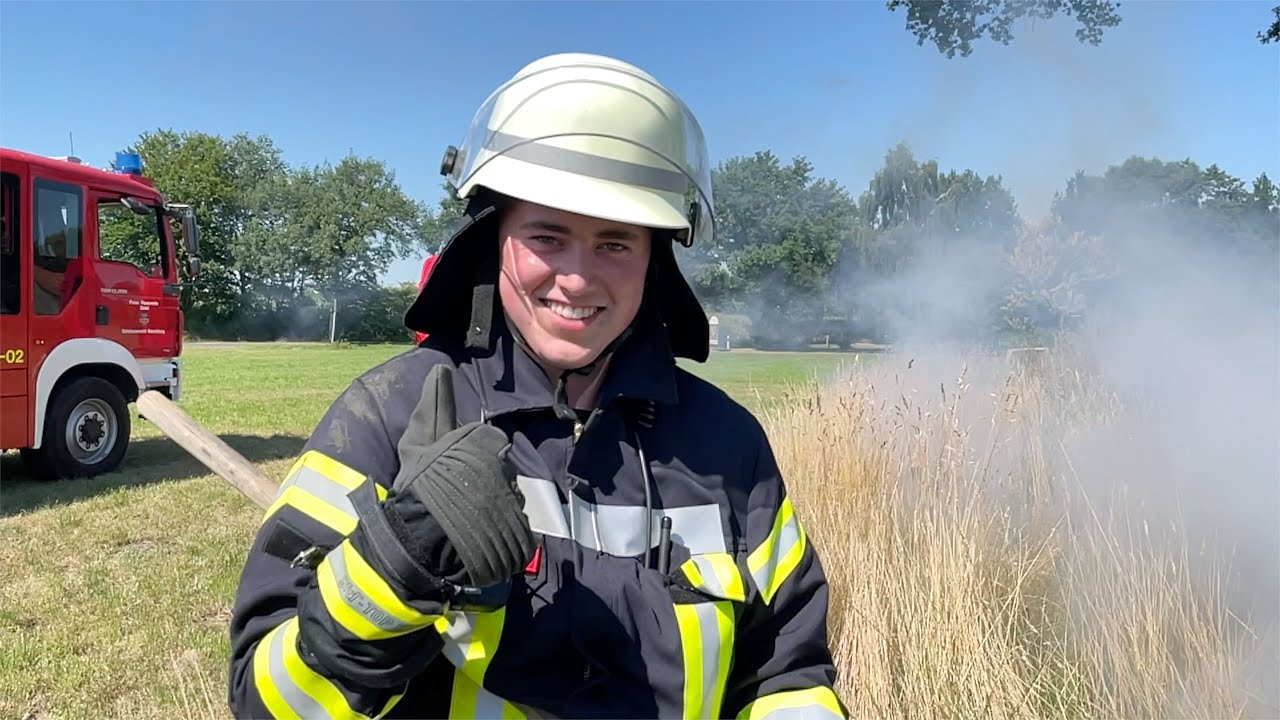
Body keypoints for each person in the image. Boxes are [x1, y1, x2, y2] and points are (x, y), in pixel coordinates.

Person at [227, 52, 847, 720]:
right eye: (547, 236)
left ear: (655, 260)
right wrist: (388, 573)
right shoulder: (390, 415)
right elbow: (265, 701)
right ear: (493, 241)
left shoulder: (728, 447)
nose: (577, 279)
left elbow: (787, 676)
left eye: (615, 243)